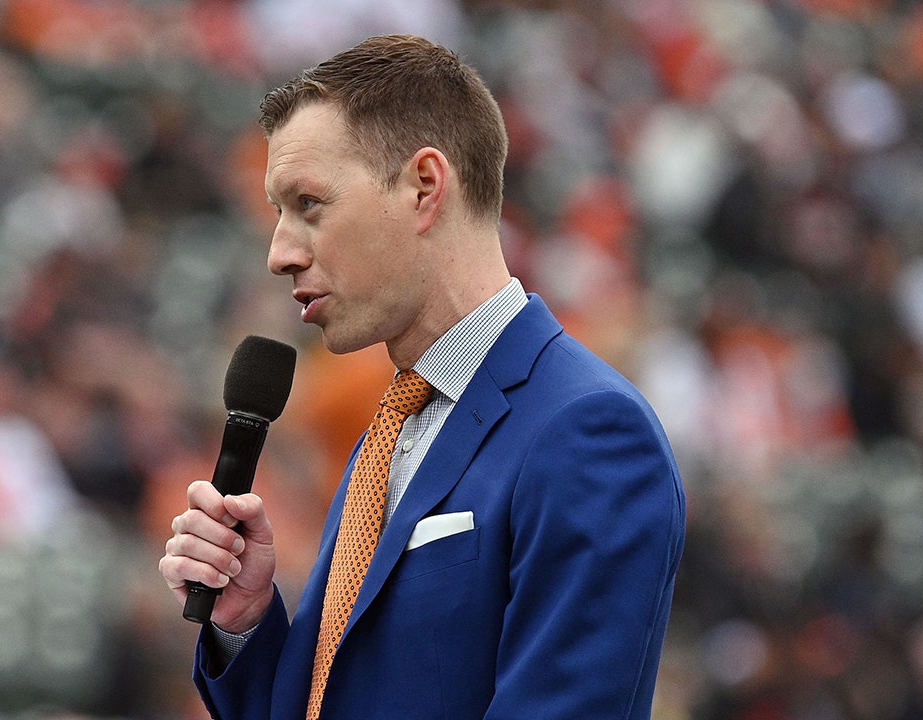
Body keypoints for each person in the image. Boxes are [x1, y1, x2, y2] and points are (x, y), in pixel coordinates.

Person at [158, 34, 686, 720]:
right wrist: (244, 623)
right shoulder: (394, 426)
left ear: (425, 187)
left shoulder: (589, 430)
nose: (279, 253)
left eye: (308, 204)